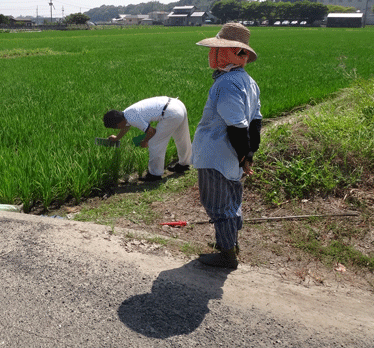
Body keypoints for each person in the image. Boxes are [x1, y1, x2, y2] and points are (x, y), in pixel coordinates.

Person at [192, 23, 262, 269]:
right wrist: (249, 155)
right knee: (232, 201)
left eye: (217, 50)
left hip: (217, 155)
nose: (213, 55)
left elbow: (237, 125)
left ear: (230, 53)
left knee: (218, 205)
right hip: (232, 155)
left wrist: (244, 155)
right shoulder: (248, 82)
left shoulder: (226, 84)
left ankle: (226, 254)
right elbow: (256, 122)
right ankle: (231, 243)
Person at [103, 97, 192, 182]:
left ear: (118, 123)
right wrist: (117, 138)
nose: (117, 129)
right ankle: (184, 163)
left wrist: (145, 141)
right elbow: (126, 125)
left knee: (154, 142)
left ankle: (155, 174)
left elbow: (151, 131)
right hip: (177, 105)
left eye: (116, 127)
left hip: (171, 113)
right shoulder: (126, 113)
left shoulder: (131, 117)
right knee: (181, 136)